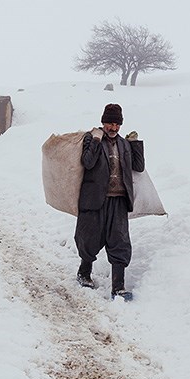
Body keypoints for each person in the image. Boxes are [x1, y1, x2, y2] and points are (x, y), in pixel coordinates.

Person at [74, 103, 145, 301]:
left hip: (119, 201)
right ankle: (84, 273)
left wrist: (135, 143)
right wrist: (96, 141)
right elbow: (87, 162)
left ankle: (118, 287)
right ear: (103, 122)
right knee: (89, 238)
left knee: (120, 242)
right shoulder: (92, 139)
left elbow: (138, 167)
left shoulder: (123, 144)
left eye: (116, 124)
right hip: (95, 199)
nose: (113, 128)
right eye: (109, 123)